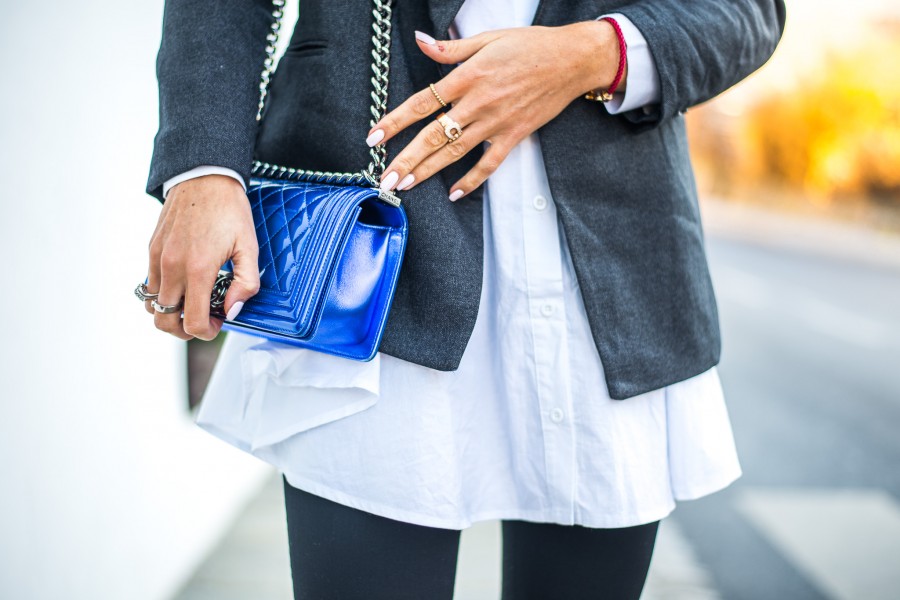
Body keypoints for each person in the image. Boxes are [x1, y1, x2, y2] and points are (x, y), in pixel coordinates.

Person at [143, 0, 785, 598]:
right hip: (373, 255)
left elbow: (745, 9)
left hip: (609, 264)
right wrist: (202, 168)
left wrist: (594, 54)